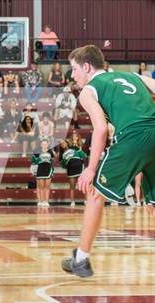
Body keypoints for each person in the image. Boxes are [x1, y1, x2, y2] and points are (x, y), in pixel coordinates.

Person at [61, 45, 155, 278]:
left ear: (87, 67)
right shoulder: (132, 75)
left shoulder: (89, 90)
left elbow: (101, 129)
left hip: (133, 137)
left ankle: (81, 259)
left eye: (74, 69)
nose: (73, 75)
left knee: (94, 193)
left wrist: (90, 169)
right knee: (153, 202)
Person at [61, 133, 87, 207]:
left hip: (79, 167)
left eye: (64, 143)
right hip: (71, 170)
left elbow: (84, 156)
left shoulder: (77, 148)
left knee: (83, 185)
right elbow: (63, 165)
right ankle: (72, 201)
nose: (63, 145)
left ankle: (86, 200)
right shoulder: (63, 154)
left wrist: (78, 149)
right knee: (72, 186)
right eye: (62, 144)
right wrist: (65, 162)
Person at [31, 139, 55, 207]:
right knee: (41, 186)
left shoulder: (51, 152)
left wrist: (52, 170)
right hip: (40, 170)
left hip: (48, 170)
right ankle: (40, 201)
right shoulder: (37, 152)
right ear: (41, 145)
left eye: (46, 144)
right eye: (43, 144)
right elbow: (33, 162)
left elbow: (52, 161)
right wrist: (34, 170)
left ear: (48, 145)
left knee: (47, 186)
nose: (44, 145)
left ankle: (46, 201)